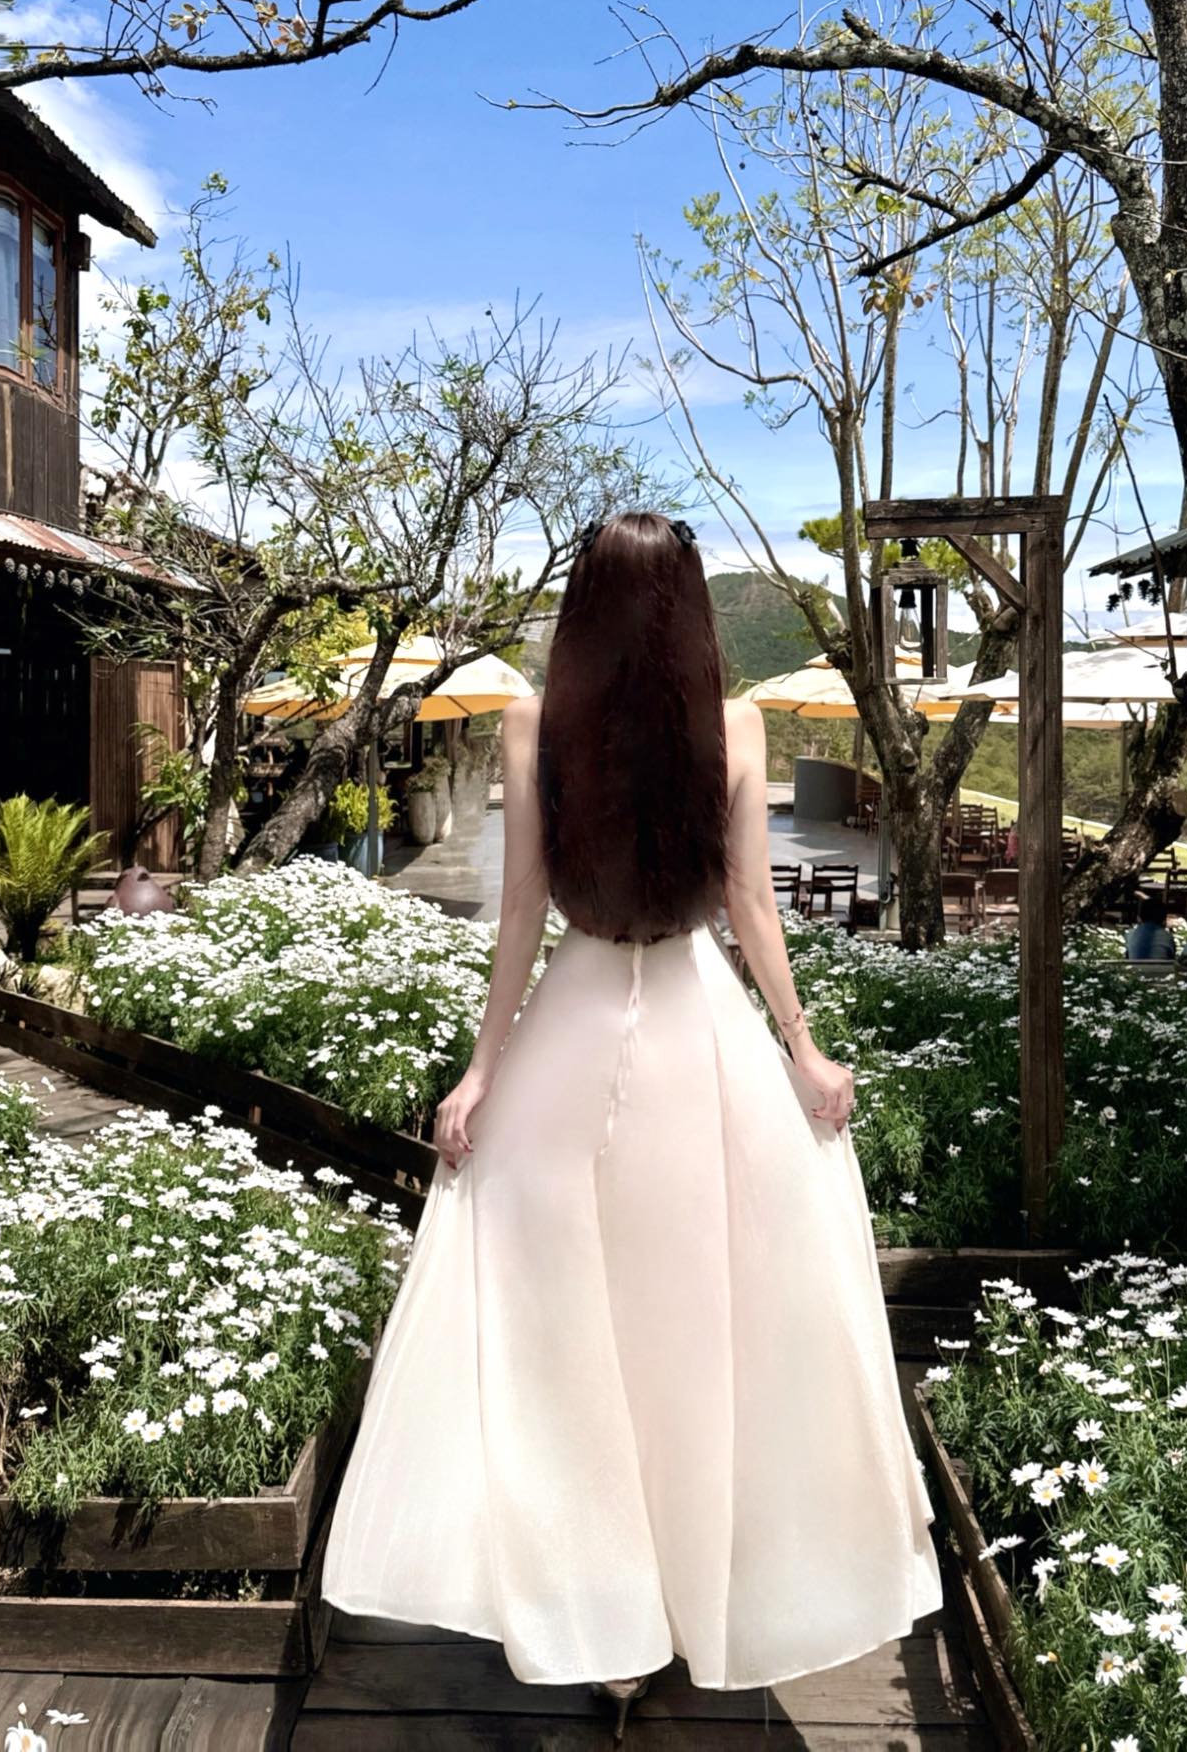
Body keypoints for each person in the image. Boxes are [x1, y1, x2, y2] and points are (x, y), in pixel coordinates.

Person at [321, 513, 941, 1736]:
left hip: (577, 1017)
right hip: (698, 1032)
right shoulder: (739, 728)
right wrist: (800, 1048)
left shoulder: (532, 725)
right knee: (702, 1328)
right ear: (692, 608)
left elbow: (520, 914)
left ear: (586, 606)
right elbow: (752, 907)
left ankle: (602, 1615)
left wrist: (484, 1070)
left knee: (563, 1330)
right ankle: (695, 1597)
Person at [1126, 895, 1177, 961]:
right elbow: (1171, 959)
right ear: (1164, 919)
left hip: (1136, 967)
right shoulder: (1167, 937)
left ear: (1140, 918)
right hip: (1159, 967)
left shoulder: (1131, 934)